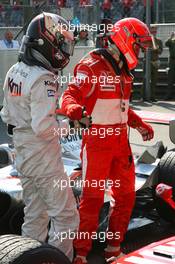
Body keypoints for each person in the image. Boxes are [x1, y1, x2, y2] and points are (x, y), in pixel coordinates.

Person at [60, 17, 154, 264]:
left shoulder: (123, 70)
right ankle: (80, 254)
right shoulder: (91, 65)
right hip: (97, 144)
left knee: (125, 198)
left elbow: (122, 108)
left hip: (120, 144)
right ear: (125, 38)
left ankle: (113, 248)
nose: (140, 53)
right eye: (139, 46)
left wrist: (139, 124)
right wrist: (73, 110)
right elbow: (69, 95)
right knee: (91, 200)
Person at [0, 12, 79, 261]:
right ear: (47, 42)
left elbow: (5, 114)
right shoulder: (45, 78)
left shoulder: (15, 69)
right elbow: (44, 128)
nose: (64, 49)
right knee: (66, 215)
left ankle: (28, 257)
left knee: (35, 214)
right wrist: (71, 125)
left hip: (21, 150)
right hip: (42, 153)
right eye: (61, 43)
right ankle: (57, 260)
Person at [150, 25, 163, 102]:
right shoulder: (147, 40)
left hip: (155, 62)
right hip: (147, 62)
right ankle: (143, 96)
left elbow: (160, 52)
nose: (153, 33)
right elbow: (143, 50)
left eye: (155, 31)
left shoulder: (159, 41)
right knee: (146, 79)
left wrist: (156, 48)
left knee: (154, 80)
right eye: (152, 31)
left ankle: (153, 96)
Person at [165, 31, 175, 100]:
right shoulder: (171, 41)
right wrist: (171, 37)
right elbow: (166, 44)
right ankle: (169, 96)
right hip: (172, 61)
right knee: (170, 80)